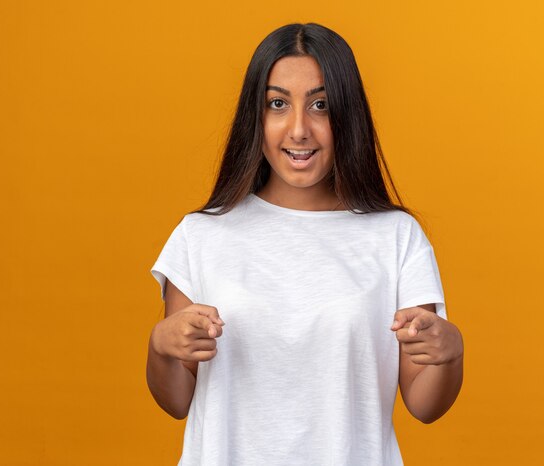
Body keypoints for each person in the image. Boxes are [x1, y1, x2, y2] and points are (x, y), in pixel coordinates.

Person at [146, 22, 463, 466]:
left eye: (321, 106)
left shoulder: (395, 236)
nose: (299, 129)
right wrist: (161, 345)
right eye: (278, 104)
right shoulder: (201, 235)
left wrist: (450, 354)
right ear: (255, 118)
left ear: (348, 116)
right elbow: (176, 400)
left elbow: (425, 405)